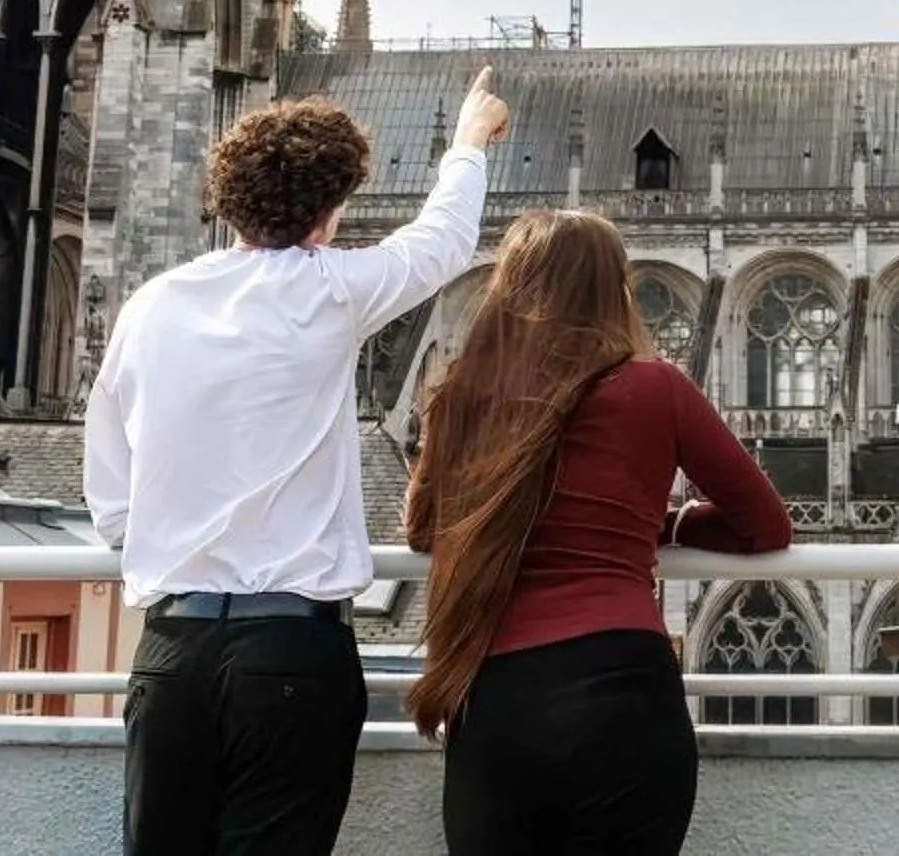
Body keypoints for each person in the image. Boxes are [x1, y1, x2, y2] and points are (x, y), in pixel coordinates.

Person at [85, 68, 510, 856]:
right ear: (329, 209)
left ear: (230, 202)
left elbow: (111, 498)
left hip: (171, 650)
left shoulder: (150, 306)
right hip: (291, 648)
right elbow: (443, 241)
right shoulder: (330, 290)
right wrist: (468, 141)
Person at [403, 209, 792, 856]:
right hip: (623, 684)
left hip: (497, 694)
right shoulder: (656, 386)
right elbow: (766, 525)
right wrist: (664, 525)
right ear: (614, 290)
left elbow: (422, 531)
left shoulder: (463, 394)